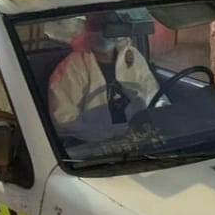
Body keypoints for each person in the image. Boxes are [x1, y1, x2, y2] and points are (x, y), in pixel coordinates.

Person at [48, 11, 160, 141]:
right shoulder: (72, 68)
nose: (102, 31)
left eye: (108, 26)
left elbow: (153, 95)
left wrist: (154, 123)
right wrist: (107, 137)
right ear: (87, 29)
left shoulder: (132, 57)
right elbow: (64, 119)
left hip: (139, 136)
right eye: (96, 26)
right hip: (96, 143)